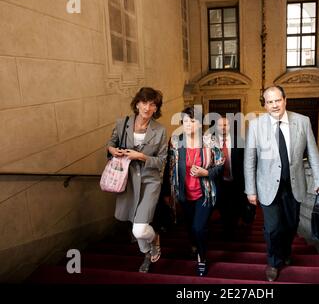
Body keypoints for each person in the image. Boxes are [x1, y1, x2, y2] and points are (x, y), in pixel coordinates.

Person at [244, 85, 319, 282]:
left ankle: (286, 251)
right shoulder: (256, 125)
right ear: (265, 105)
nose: (274, 105)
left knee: (291, 225)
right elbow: (250, 160)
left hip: (294, 185)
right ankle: (273, 262)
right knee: (272, 228)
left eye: (277, 100)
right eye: (269, 102)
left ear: (285, 100)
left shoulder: (302, 122)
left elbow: (313, 153)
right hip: (267, 187)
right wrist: (250, 190)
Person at [107, 87, 167, 273]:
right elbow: (111, 143)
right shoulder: (121, 123)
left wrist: (140, 156)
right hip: (128, 180)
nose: (147, 108)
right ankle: (147, 254)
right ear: (137, 103)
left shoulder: (160, 130)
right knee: (134, 222)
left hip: (150, 181)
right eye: (144, 102)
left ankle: (154, 239)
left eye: (152, 104)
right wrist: (111, 150)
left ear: (156, 108)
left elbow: (162, 160)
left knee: (139, 229)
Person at [164, 106, 223, 276]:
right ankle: (194, 245)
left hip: (204, 193)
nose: (189, 124)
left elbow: (220, 164)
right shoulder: (175, 141)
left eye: (193, 120)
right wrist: (167, 193)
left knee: (199, 227)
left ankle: (202, 257)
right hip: (183, 193)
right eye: (186, 120)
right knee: (190, 226)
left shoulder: (209, 141)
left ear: (200, 123)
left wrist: (207, 172)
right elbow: (169, 167)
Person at [214, 116, 254, 240]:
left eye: (225, 125)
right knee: (223, 207)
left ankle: (235, 229)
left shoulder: (239, 141)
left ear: (230, 126)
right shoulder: (212, 142)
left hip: (236, 181)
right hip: (220, 182)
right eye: (220, 125)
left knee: (236, 206)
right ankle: (227, 230)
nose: (223, 127)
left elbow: (246, 161)